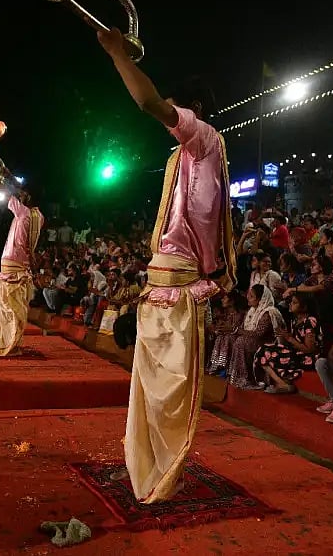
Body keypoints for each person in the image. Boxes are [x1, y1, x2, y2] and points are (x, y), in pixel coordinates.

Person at [98, 26, 237, 503]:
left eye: (175, 106)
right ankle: (143, 469)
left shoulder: (204, 140)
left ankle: (165, 476)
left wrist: (119, 55)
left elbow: (147, 103)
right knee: (145, 390)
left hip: (180, 292)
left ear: (190, 109)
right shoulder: (185, 155)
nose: (167, 114)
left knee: (169, 396)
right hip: (159, 288)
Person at [0, 167, 43, 357]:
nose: (20, 195)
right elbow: (17, 191)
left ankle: (10, 346)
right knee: (11, 309)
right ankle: (7, 345)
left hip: (13, 264)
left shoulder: (23, 213)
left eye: (24, 194)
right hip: (18, 264)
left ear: (29, 197)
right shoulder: (37, 216)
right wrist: (8, 175)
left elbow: (4, 191)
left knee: (10, 310)